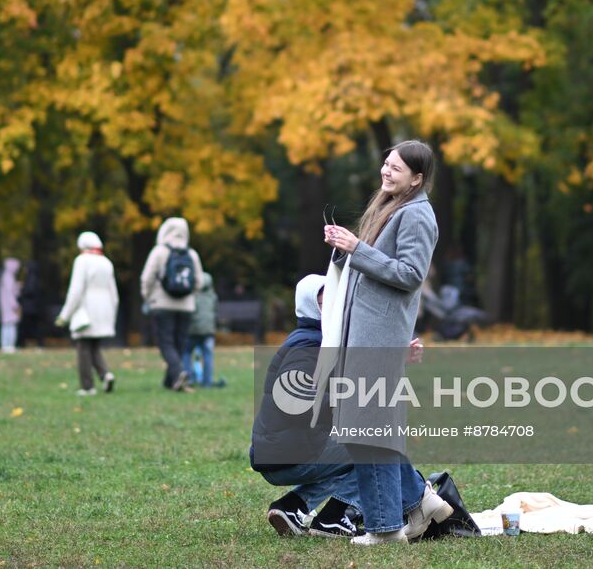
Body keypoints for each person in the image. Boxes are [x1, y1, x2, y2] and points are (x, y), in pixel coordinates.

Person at [320, 139, 453, 545]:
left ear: (417, 178)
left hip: (377, 339)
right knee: (368, 428)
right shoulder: (391, 208)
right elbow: (375, 271)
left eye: (396, 169)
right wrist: (345, 252)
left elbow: (411, 274)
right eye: (386, 164)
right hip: (365, 336)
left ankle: (386, 527)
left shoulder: (417, 215)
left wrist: (357, 248)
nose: (386, 172)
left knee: (369, 431)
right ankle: (418, 502)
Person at [251, 274, 362, 538]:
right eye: (326, 302)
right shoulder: (310, 345)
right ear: (311, 306)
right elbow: (293, 402)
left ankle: (292, 507)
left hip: (284, 449)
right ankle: (334, 517)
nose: (335, 307)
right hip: (288, 453)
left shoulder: (320, 339)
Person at [140, 216, 204, 392]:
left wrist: (148, 297)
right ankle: (171, 382)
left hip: (162, 304)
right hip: (186, 306)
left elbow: (147, 277)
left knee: (165, 343)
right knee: (179, 344)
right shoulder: (192, 254)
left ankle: (179, 373)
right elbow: (199, 281)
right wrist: (190, 297)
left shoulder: (160, 251)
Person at [56, 231, 120, 396]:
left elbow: (76, 291)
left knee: (83, 347)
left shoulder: (82, 261)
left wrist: (65, 315)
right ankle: (106, 374)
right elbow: (114, 294)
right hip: (104, 309)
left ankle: (87, 386)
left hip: (86, 309)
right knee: (94, 346)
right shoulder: (106, 262)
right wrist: (112, 313)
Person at [183, 272, 224, 388]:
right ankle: (207, 381)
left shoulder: (192, 295)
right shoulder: (213, 296)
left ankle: (189, 379)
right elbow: (215, 313)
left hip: (192, 331)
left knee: (186, 353)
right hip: (208, 331)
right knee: (207, 355)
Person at [18, 258, 45, 347]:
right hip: (32, 307)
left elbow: (30, 291)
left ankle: (22, 343)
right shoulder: (34, 278)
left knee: (27, 326)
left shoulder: (31, 278)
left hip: (30, 308)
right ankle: (38, 343)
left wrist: (22, 290)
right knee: (33, 327)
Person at [0, 257, 21, 353]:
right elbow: (10, 293)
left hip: (6, 306)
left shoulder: (6, 276)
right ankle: (8, 345)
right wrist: (15, 306)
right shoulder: (9, 277)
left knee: (7, 325)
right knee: (9, 325)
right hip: (9, 306)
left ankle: (6, 345)